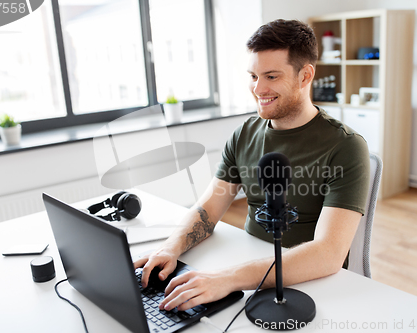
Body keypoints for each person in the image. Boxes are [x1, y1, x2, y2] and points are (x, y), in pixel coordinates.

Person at [134, 19, 370, 312]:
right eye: (253, 76)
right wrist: (170, 247)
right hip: (248, 271)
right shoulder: (244, 134)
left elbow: (328, 254)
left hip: (307, 287)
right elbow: (209, 209)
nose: (258, 88)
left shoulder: (345, 146)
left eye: (271, 76)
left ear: (305, 76)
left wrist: (230, 278)